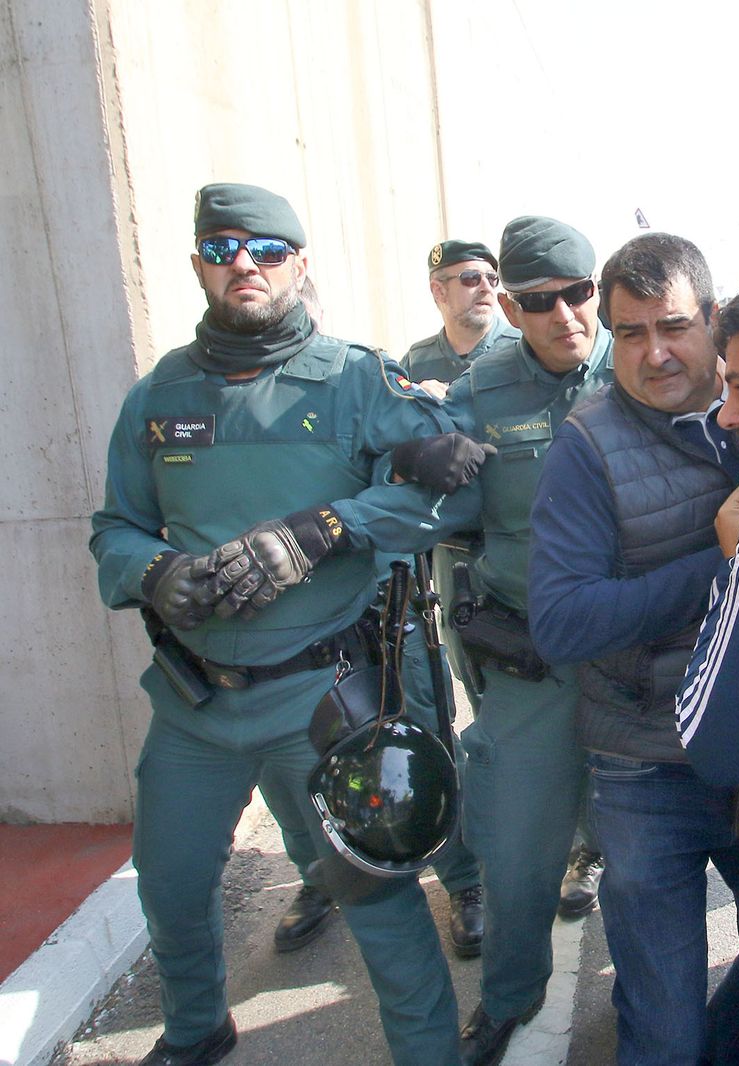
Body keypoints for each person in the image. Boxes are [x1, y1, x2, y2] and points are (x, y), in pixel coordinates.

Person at [88, 182, 474, 1066]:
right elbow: (115, 526)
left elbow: (453, 489)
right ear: (198, 266)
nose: (244, 266)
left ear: (298, 264)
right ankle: (195, 1029)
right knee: (174, 882)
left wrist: (325, 529)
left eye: (265, 250)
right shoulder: (156, 398)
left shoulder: (353, 381)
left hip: (321, 697)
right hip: (196, 706)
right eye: (222, 250)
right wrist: (154, 575)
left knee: (376, 897)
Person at [528, 233, 739, 1065]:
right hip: (644, 766)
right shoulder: (586, 450)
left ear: (712, 317)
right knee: (661, 1019)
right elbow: (560, 622)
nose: (654, 353)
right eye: (629, 334)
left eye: (671, 327)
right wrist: (723, 559)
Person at [402, 216, 614, 1066]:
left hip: (641, 661)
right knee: (519, 856)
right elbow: (433, 504)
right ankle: (508, 998)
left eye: (578, 294)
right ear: (511, 307)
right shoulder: (482, 392)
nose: (564, 316)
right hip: (535, 661)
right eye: (538, 302)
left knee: (654, 858)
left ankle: (650, 1003)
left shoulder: (648, 364)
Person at [262, 269, 487, 963]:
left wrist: (414, 451)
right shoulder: (230, 403)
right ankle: (320, 877)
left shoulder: (362, 385)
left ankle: (464, 882)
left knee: (418, 749)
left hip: (383, 618)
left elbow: (446, 461)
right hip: (282, 632)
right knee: (286, 770)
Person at [400, 239, 519, 391]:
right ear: (439, 291)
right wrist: (415, 400)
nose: (486, 288)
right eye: (471, 278)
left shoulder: (523, 349)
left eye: (491, 279)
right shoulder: (415, 361)